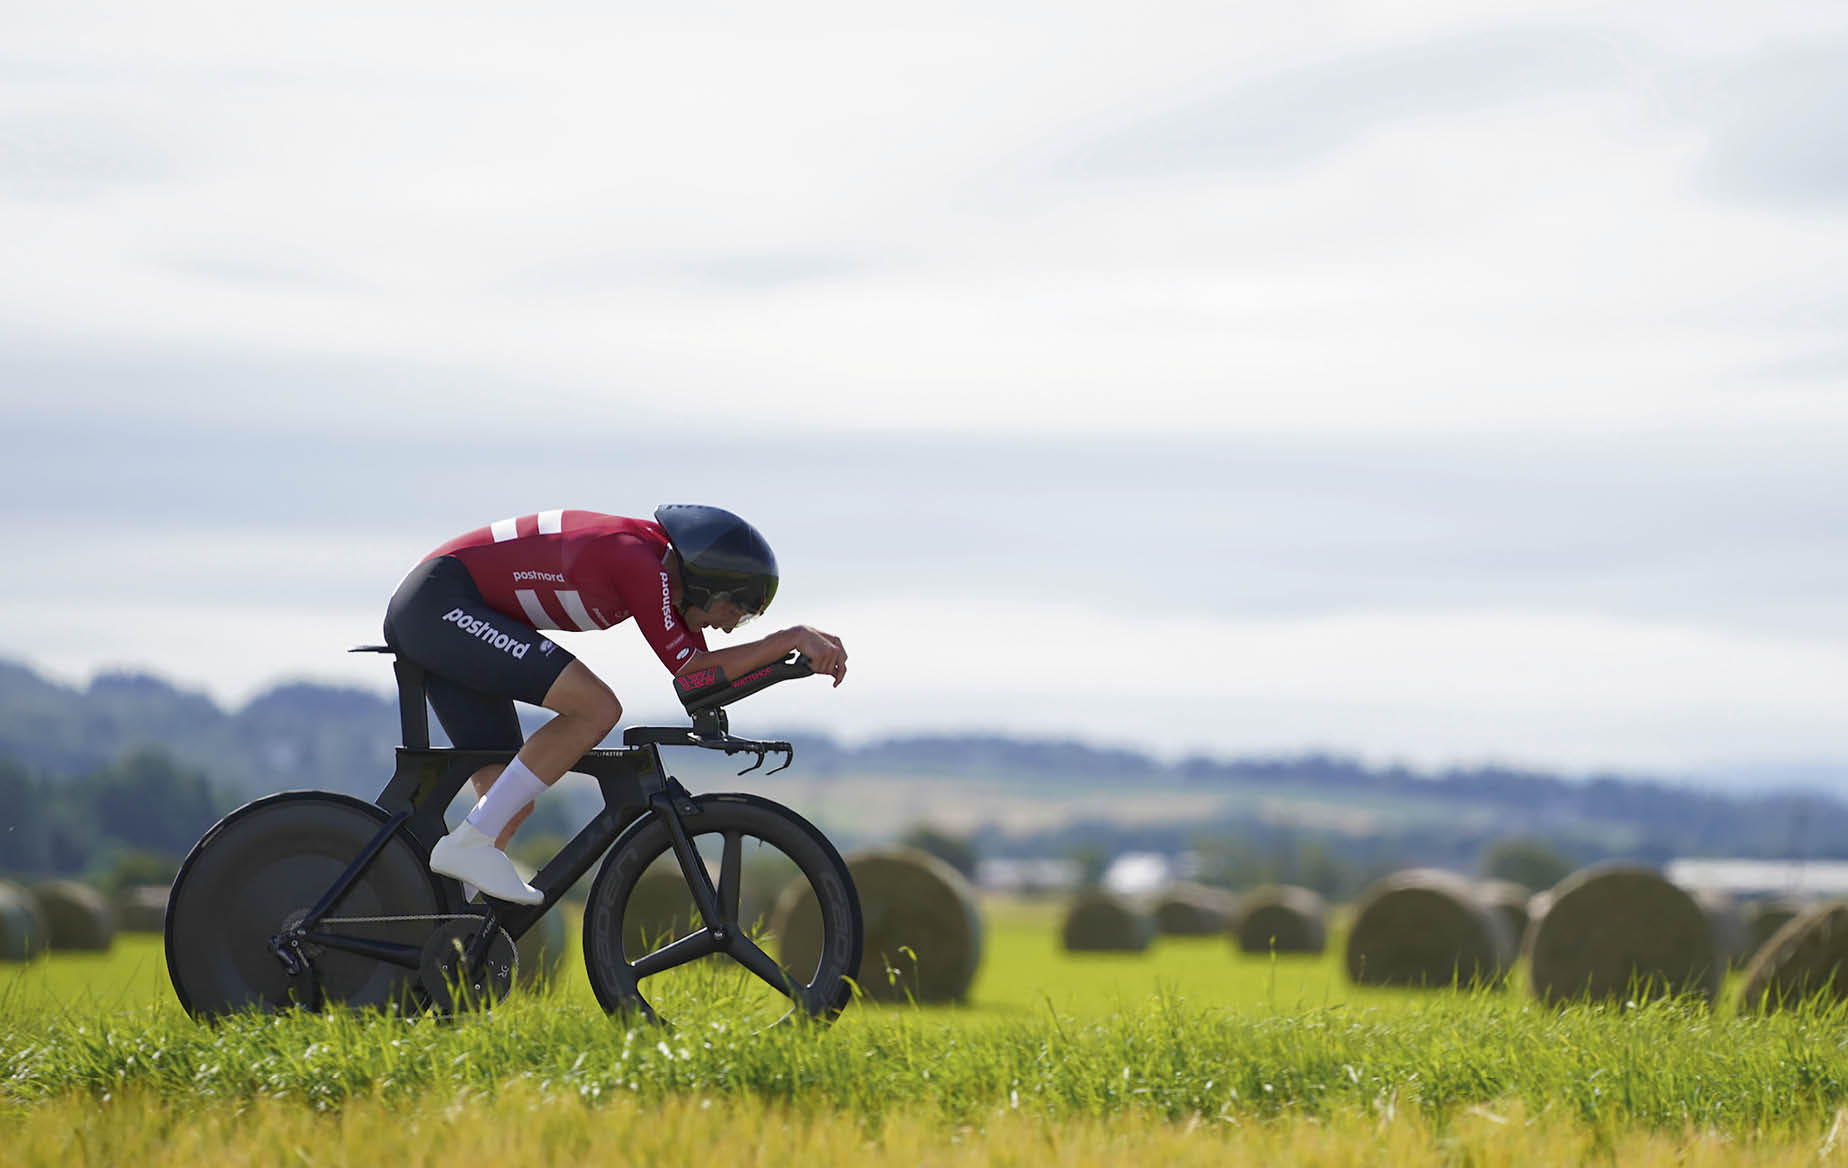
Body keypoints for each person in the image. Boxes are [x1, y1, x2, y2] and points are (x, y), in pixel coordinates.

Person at [381, 505, 848, 904]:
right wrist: (789, 638)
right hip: (439, 603)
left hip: (448, 609)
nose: (731, 627)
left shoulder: (656, 568)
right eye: (737, 613)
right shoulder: (640, 562)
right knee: (596, 708)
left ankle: (438, 930)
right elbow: (694, 672)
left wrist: (790, 663)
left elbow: (703, 682)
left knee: (506, 801)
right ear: (710, 586)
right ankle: (467, 845)